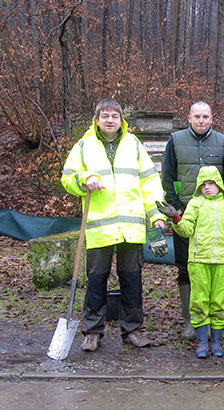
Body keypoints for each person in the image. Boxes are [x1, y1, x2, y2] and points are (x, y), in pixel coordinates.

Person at [61, 98, 166, 352]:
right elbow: (68, 178)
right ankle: (92, 331)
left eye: (114, 116)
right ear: (97, 119)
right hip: (100, 227)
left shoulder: (134, 145)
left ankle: (132, 329)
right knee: (97, 279)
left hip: (131, 227)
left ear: (121, 120)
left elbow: (149, 182)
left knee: (132, 279)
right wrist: (85, 179)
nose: (110, 120)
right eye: (105, 116)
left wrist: (157, 215)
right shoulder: (84, 146)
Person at [161, 101, 224, 340]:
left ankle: (214, 321)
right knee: (186, 268)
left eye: (205, 117)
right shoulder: (176, 140)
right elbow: (168, 176)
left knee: (214, 269)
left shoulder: (223, 142)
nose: (201, 121)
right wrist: (178, 210)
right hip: (186, 215)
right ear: (189, 118)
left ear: (212, 118)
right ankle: (190, 322)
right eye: (197, 117)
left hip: (214, 220)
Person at [157, 166, 224, 358]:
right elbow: (186, 230)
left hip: (220, 261)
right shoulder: (195, 204)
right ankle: (202, 342)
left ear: (219, 184)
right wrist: (176, 218)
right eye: (203, 184)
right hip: (198, 261)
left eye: (211, 183)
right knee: (199, 301)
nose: (207, 187)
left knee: (219, 301)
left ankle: (217, 342)